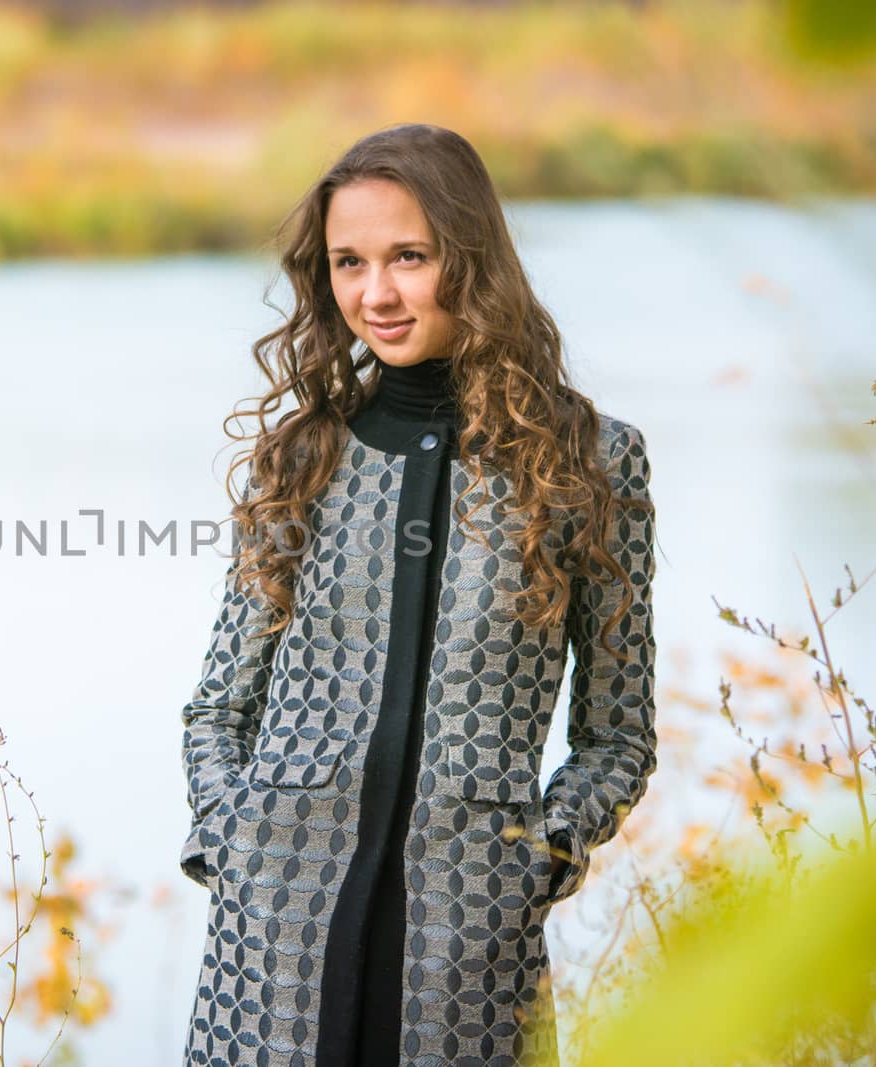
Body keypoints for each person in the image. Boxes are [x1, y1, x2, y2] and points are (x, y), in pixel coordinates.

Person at [176, 123, 659, 1067]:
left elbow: (619, 733)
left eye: (409, 257)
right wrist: (235, 844)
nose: (376, 294)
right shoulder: (303, 456)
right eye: (348, 263)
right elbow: (217, 707)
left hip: (469, 939)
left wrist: (540, 857)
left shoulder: (591, 463)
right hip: (274, 937)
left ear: (470, 257)